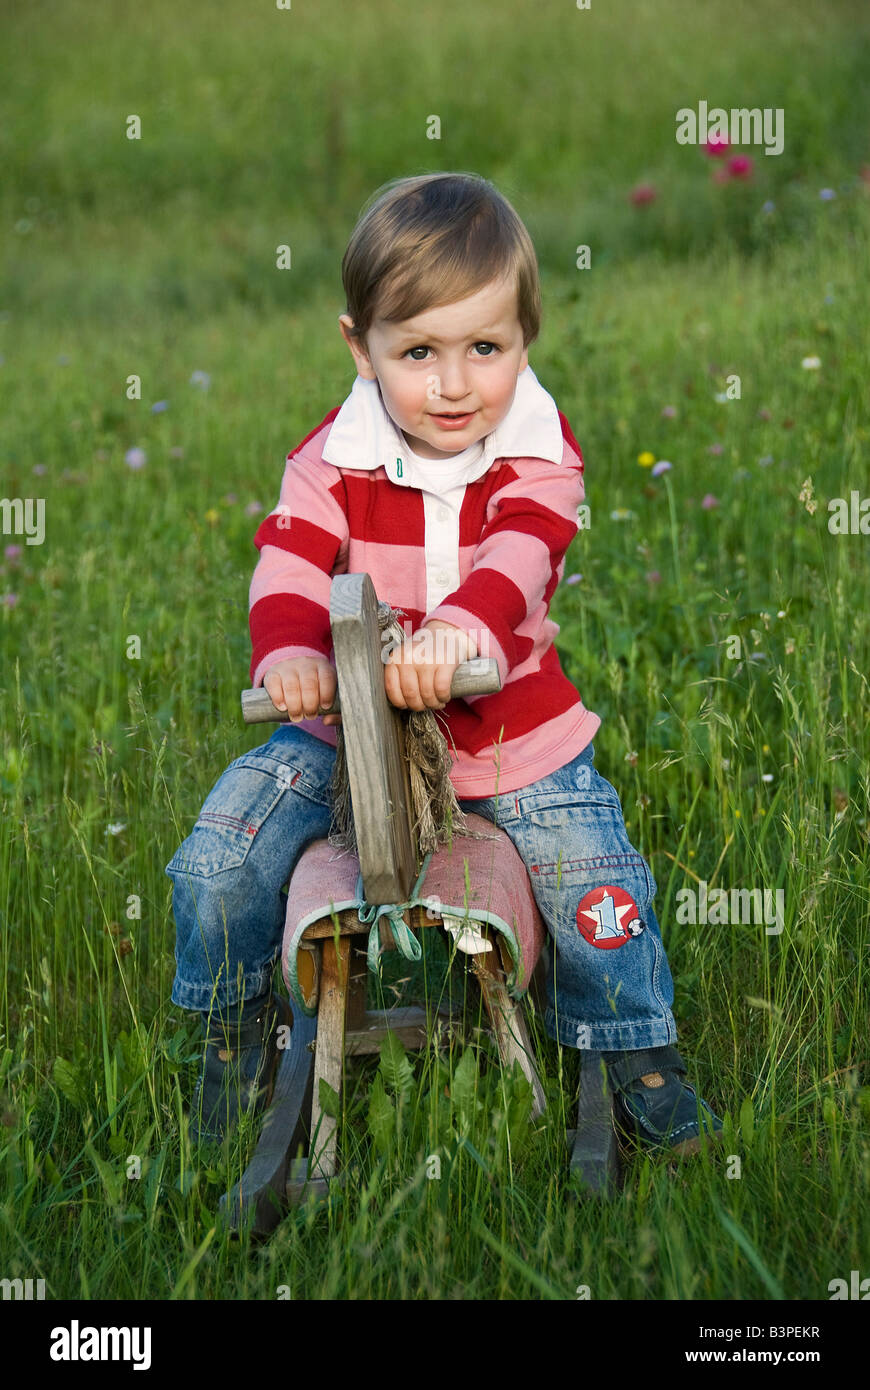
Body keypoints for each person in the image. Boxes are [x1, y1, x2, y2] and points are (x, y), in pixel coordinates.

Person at [165, 171, 722, 1156]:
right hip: (340, 731)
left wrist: (456, 639)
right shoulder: (333, 457)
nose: (455, 384)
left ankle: (635, 1049)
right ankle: (231, 1031)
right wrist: (292, 653)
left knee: (589, 876)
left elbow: (516, 565)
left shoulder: (538, 456)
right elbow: (288, 558)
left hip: (511, 733)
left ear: (525, 339)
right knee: (221, 855)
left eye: (486, 348)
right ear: (359, 345)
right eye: (418, 351)